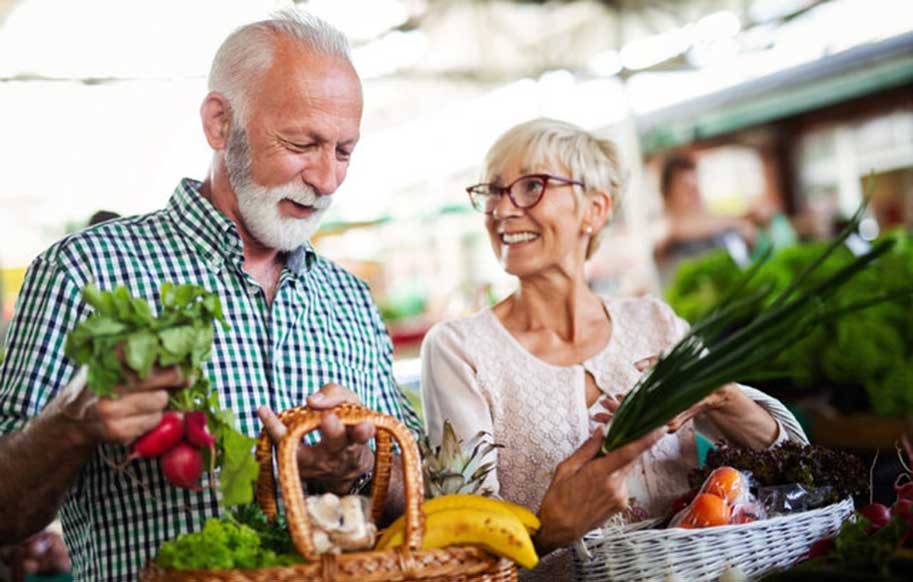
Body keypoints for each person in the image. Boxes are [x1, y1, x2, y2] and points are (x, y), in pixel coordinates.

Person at [0, 11, 420, 581]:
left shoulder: (349, 298)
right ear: (220, 124)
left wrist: (360, 465)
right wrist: (72, 421)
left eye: (344, 151)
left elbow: (418, 494)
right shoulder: (81, 273)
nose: (326, 179)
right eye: (302, 143)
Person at [420, 119, 806, 580]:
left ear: (595, 209)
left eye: (531, 186)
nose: (501, 210)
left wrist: (721, 396)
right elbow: (465, 554)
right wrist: (548, 533)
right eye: (493, 191)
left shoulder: (655, 324)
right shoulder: (460, 350)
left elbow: (795, 465)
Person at [653, 155, 765, 286]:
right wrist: (737, 222)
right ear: (667, 195)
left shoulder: (714, 226)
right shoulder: (663, 229)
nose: (695, 194)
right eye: (686, 188)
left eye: (696, 187)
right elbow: (677, 230)